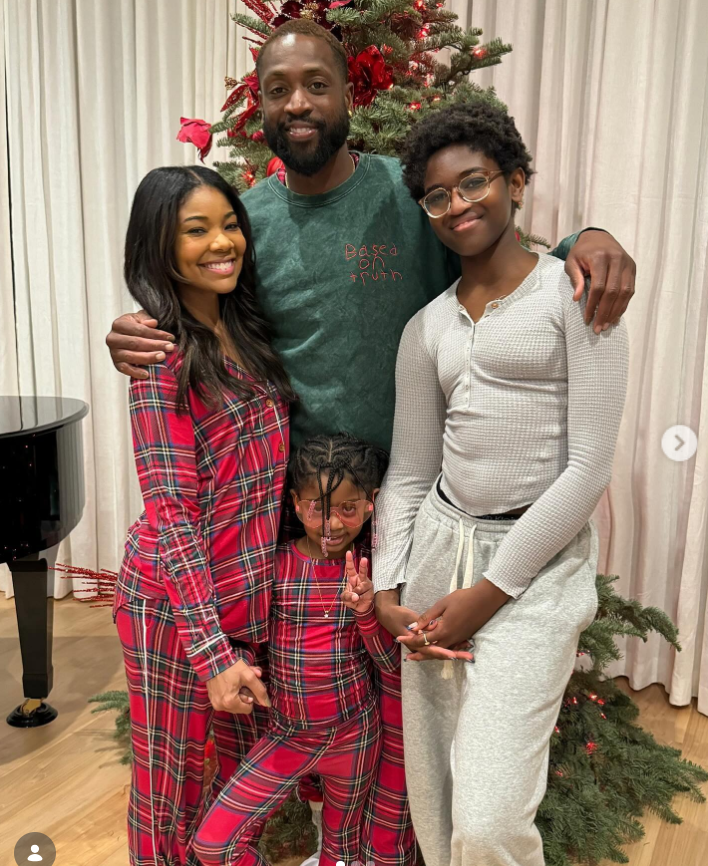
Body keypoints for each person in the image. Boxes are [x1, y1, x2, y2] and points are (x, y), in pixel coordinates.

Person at [106, 20, 637, 865]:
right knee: (306, 735)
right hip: (297, 528)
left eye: (316, 83)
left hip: (418, 510)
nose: (299, 104)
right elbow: (197, 287)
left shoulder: (406, 191)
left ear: (350, 93)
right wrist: (141, 327)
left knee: (402, 745)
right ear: (260, 105)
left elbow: (493, 239)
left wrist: (587, 241)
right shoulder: (251, 219)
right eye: (278, 89)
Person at [372, 101, 629, 866]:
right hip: (433, 559)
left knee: (487, 815)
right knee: (438, 792)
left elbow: (589, 468)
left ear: (516, 182)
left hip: (534, 574)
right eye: (439, 195)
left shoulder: (577, 298)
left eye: (475, 182)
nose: (459, 205)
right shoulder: (426, 329)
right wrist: (389, 592)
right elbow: (410, 471)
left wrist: (489, 593)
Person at [113, 165, 295, 866]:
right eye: (197, 230)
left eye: (229, 225)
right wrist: (212, 652)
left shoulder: (244, 334)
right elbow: (173, 519)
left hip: (242, 605)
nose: (223, 243)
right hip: (173, 608)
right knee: (172, 789)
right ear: (160, 246)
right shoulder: (160, 358)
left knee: (236, 789)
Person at [193, 434, 399, 866]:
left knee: (341, 854)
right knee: (213, 845)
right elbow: (246, 636)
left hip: (355, 737)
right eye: (317, 507)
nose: (333, 525)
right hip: (287, 735)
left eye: (347, 508)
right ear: (293, 502)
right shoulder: (274, 565)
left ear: (370, 503)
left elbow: (389, 664)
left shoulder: (373, 568)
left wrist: (366, 612)